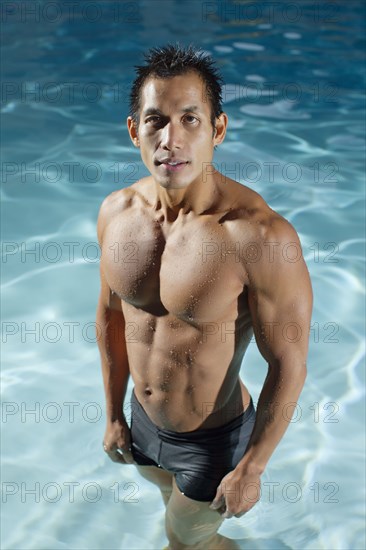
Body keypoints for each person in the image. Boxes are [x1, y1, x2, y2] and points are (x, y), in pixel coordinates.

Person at [96, 44, 313, 550]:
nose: (170, 139)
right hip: (142, 423)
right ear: (134, 132)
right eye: (155, 121)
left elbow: (289, 361)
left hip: (214, 441)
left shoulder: (259, 237)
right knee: (176, 517)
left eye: (189, 119)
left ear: (217, 129)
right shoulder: (116, 213)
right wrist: (112, 414)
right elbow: (110, 317)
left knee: (185, 541)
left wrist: (254, 467)